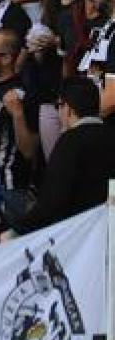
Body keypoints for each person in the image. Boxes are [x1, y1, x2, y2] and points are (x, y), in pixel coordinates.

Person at [17, 78, 115, 233]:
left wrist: (18, 229)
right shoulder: (110, 135)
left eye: (59, 106)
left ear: (68, 108)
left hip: (79, 233)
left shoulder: (70, 141)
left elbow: (53, 201)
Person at [0, 28, 39, 225]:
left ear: (6, 58)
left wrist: (18, 115)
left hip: (10, 190)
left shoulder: (23, 95)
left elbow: (29, 151)